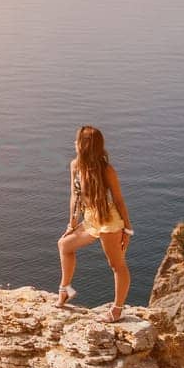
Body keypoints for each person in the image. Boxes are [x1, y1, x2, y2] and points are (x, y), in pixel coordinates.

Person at [57, 125, 133, 320]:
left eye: (77, 141)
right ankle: (64, 290)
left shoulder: (107, 170)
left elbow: (119, 200)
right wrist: (71, 224)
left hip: (109, 220)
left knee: (116, 265)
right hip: (90, 219)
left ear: (85, 145)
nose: (74, 143)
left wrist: (128, 228)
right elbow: (74, 196)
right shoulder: (75, 165)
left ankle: (116, 311)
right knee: (64, 245)